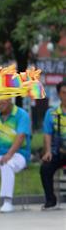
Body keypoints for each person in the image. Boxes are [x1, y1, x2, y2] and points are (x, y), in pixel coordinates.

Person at [39, 81, 66, 210]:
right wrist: (48, 151)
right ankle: (51, 201)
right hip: (58, 152)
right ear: (59, 94)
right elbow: (47, 134)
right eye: (64, 93)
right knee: (45, 168)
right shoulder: (51, 113)